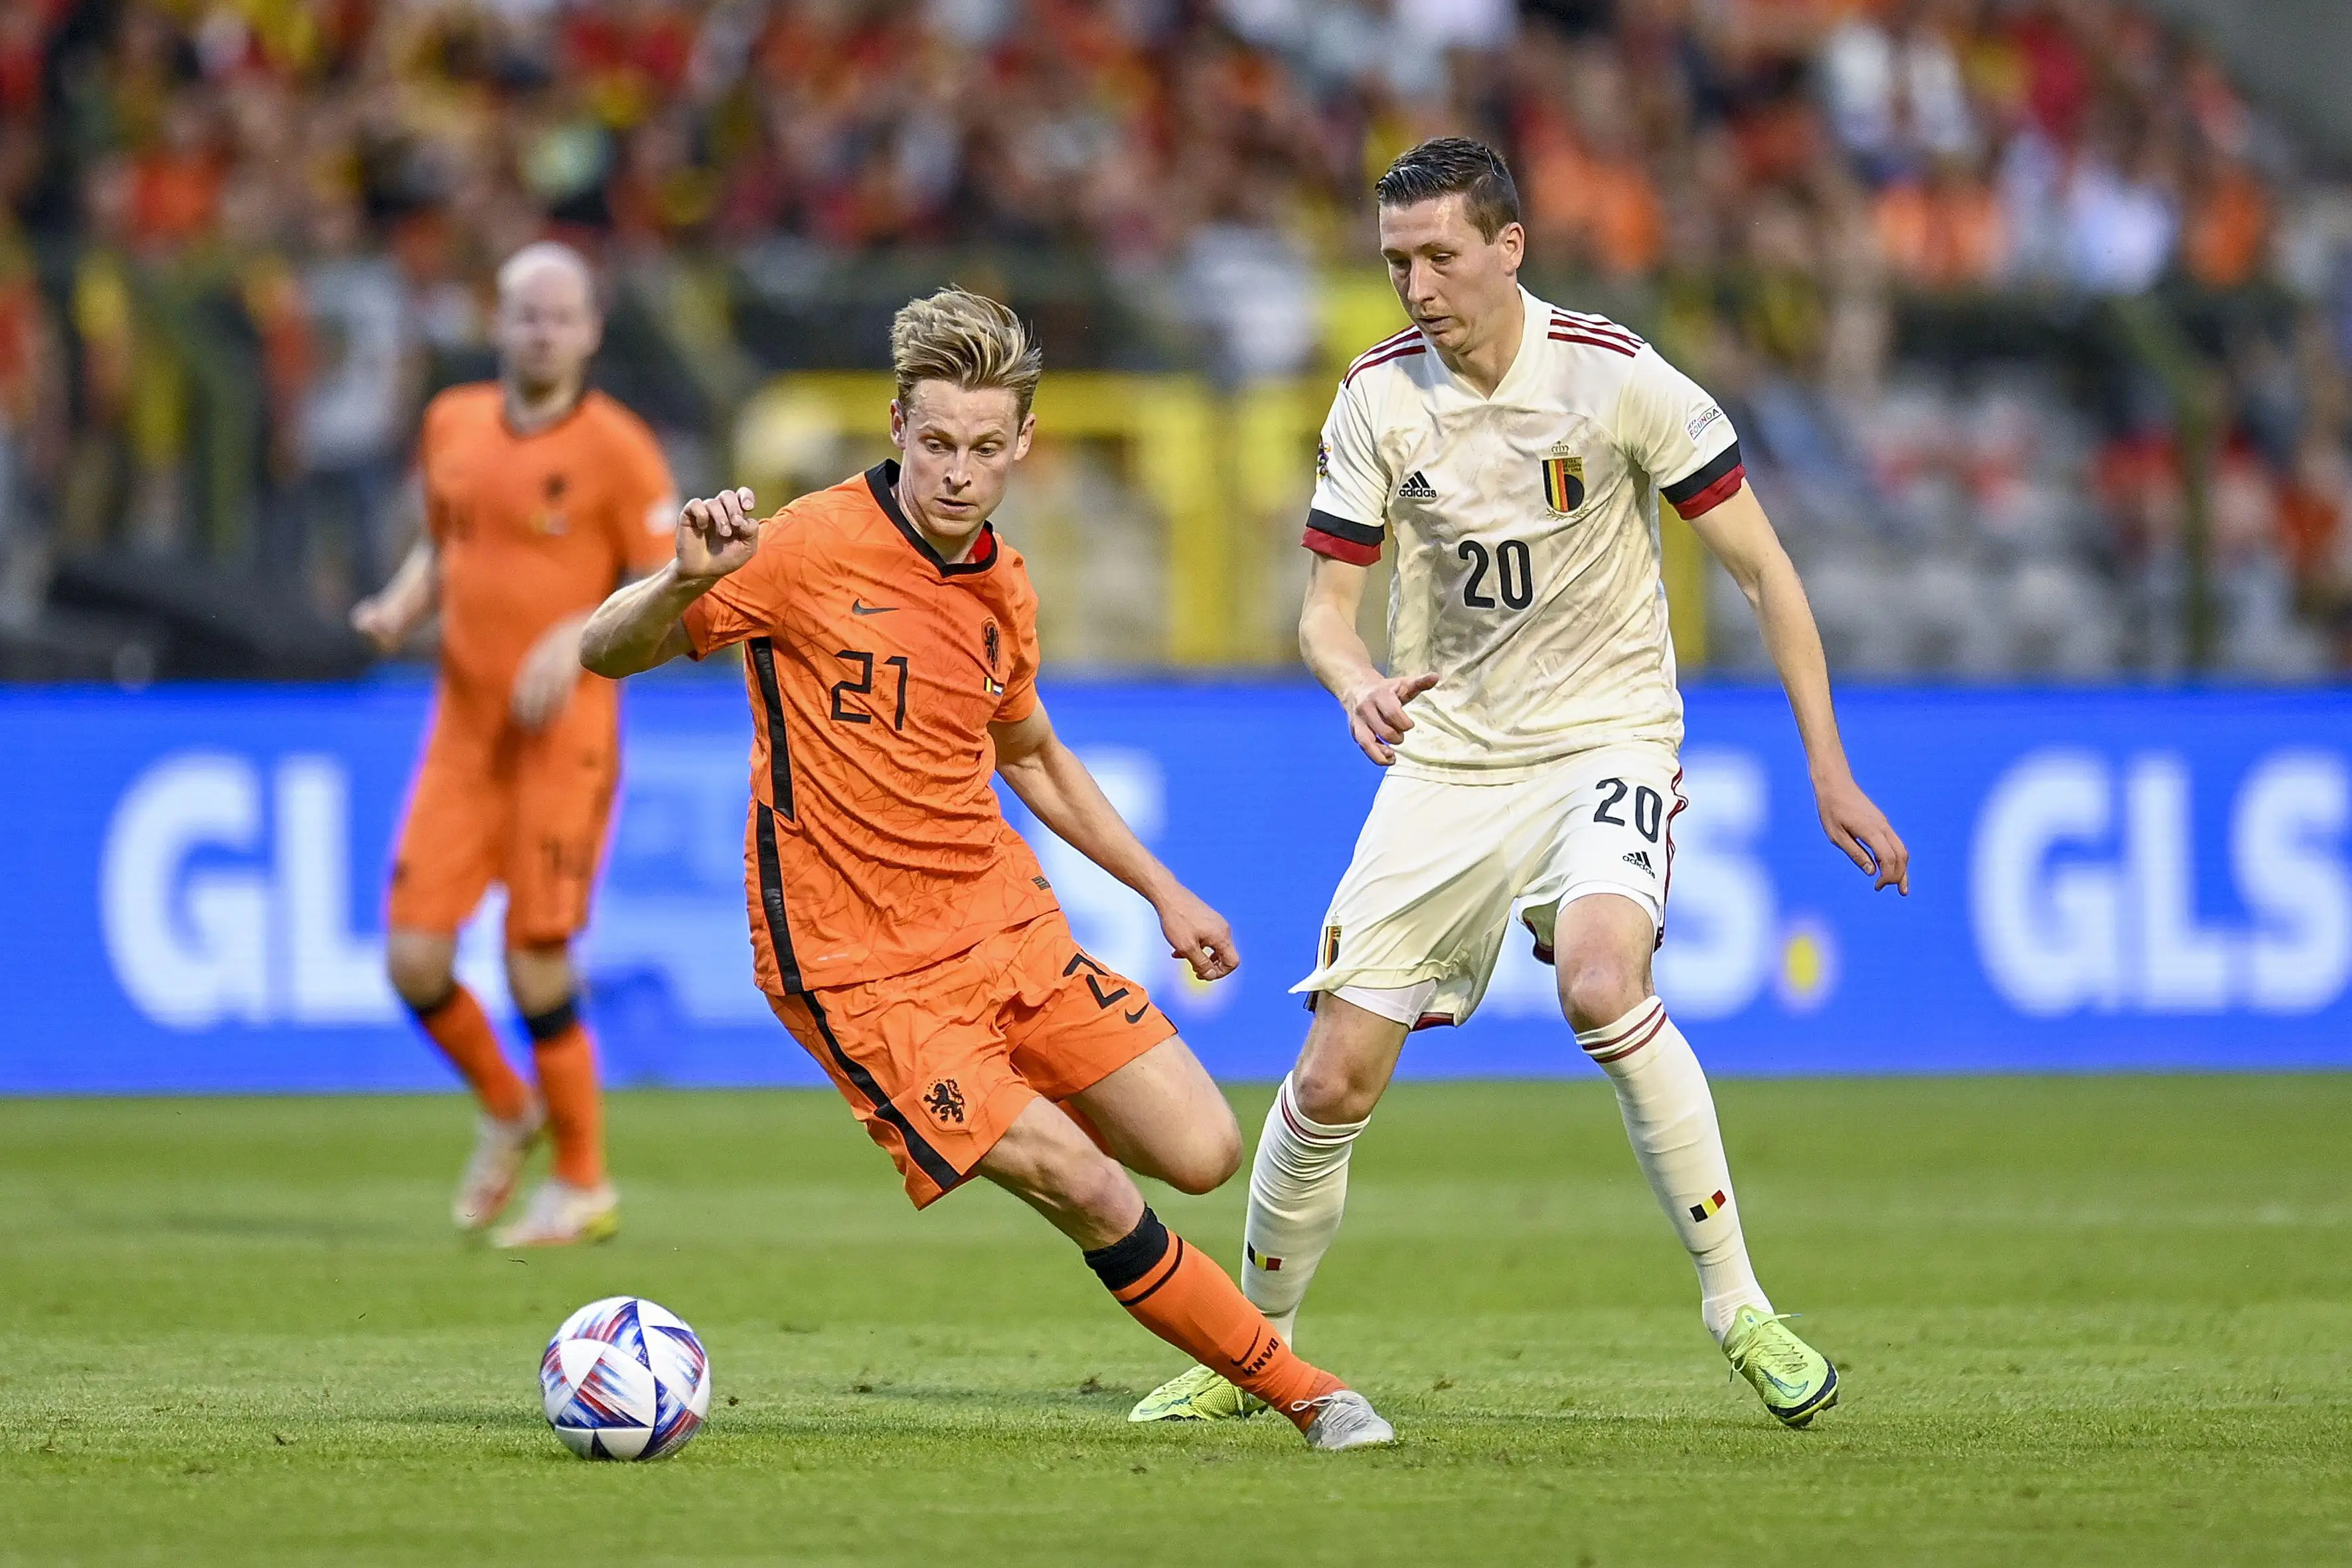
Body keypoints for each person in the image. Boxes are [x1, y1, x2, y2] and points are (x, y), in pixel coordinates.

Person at [1132, 138, 1910, 1429]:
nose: (1416, 286)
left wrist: (1827, 767)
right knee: (1328, 1080)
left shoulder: (1616, 378)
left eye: (1440, 256)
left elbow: (1763, 569)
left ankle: (1738, 1305)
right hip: (1447, 758)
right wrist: (1354, 680)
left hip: (1605, 736)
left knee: (1601, 981)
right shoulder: (1376, 398)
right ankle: (1250, 1348)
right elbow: (1324, 611)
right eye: (1396, 262)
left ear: (1509, 247)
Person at [578, 287, 1394, 1450]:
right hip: (861, 967)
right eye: (936, 443)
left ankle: (1025, 1126)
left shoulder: (1002, 582)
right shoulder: (804, 545)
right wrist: (682, 581)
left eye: (983, 447)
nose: (957, 473)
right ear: (897, 427)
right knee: (1091, 1188)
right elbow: (602, 649)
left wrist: (1164, 890)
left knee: (1204, 1150)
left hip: (1003, 926)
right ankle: (1307, 1393)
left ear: (1021, 443)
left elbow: (1034, 755)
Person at [350, 242, 678, 1247]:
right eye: (526, 314)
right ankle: (507, 1103)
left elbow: (669, 585)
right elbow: (445, 538)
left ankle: (583, 1183)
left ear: (591, 331)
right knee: (413, 960)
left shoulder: (620, 449)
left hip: (563, 741)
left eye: (560, 315)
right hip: (463, 735)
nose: (542, 331)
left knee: (535, 960)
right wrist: (402, 602)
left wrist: (571, 634)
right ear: (498, 322)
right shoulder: (451, 421)